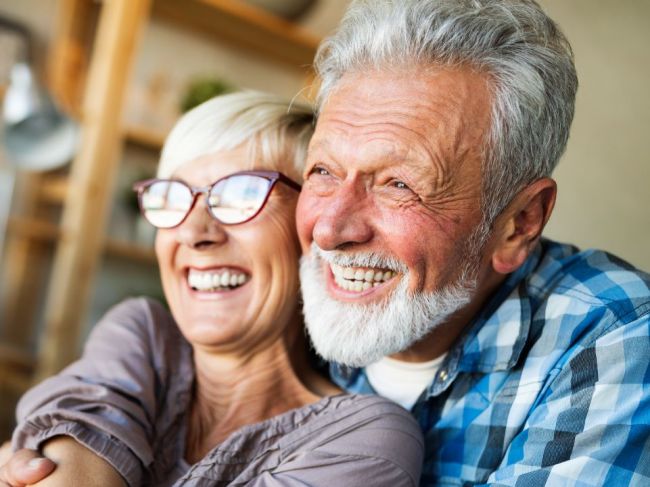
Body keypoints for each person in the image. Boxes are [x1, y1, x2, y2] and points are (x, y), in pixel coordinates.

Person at [4, 0, 650, 485]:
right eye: (323, 172)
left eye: (399, 183)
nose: (332, 228)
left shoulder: (610, 331)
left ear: (518, 221)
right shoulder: (261, 323)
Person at [0, 91, 423, 486]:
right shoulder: (144, 334)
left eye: (242, 194)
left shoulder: (364, 439)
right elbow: (78, 429)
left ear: (314, 227)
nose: (194, 233)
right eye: (173, 197)